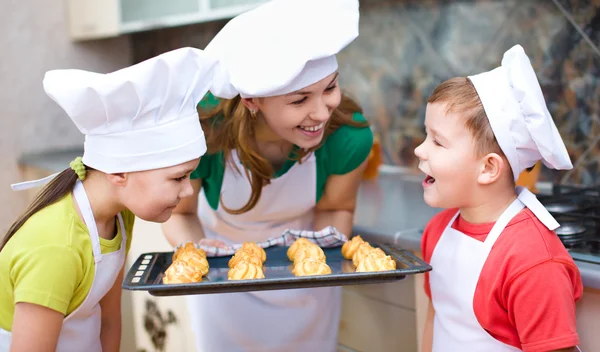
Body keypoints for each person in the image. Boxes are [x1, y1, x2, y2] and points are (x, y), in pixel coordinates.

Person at [160, 0, 373, 351]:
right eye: (300, 100)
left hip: (307, 289)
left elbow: (337, 209)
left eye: (330, 88)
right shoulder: (204, 133)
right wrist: (196, 249)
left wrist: (311, 258)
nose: (321, 112)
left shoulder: (348, 137)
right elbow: (180, 213)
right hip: (223, 284)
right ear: (252, 101)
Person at [0, 47, 217, 352]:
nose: (188, 192)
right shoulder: (56, 249)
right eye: (178, 177)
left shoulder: (119, 216)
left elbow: (108, 319)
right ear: (119, 172)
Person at [415, 44, 583, 352]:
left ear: (489, 168)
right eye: (426, 135)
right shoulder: (437, 232)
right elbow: (434, 320)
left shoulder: (533, 261)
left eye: (437, 142)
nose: (419, 150)